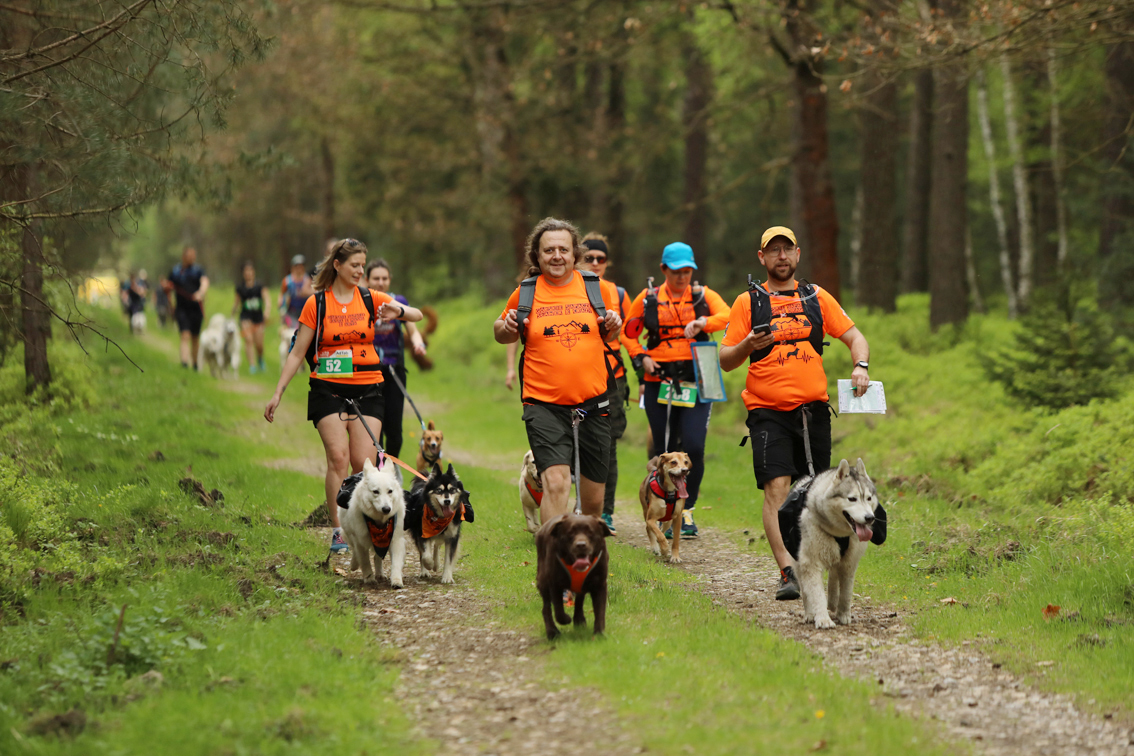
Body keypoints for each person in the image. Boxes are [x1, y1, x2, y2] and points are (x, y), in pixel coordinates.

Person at [719, 225, 871, 600]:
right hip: (767, 411)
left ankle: (811, 563)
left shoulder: (815, 297)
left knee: (813, 490)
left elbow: (855, 337)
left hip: (813, 412)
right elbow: (725, 360)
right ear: (762, 258)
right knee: (777, 489)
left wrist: (860, 366)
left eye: (787, 249)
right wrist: (747, 344)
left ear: (798, 254)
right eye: (774, 250)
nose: (782, 256)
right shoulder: (747, 302)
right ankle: (788, 571)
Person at [265, 238, 423, 553]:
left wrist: (399, 310)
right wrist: (278, 392)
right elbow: (296, 353)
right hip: (328, 388)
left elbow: (416, 315)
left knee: (362, 465)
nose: (360, 271)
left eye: (363, 265)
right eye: (355, 265)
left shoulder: (370, 298)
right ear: (337, 265)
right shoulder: (317, 304)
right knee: (337, 458)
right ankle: (338, 529)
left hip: (368, 389)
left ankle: (359, 526)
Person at [493, 217, 622, 524]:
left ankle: (583, 551)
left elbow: (608, 334)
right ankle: (553, 550)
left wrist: (614, 325)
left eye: (563, 249)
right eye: (549, 250)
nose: (557, 256)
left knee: (593, 502)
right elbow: (501, 331)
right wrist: (507, 326)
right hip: (543, 406)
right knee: (556, 482)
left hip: (593, 405)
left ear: (574, 253)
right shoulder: (525, 292)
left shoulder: (594, 288)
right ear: (537, 256)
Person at [623, 242, 729, 538]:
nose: (682, 277)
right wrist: (641, 357)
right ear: (663, 270)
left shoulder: (702, 295)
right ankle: (662, 509)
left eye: (686, 271)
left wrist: (703, 322)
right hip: (660, 382)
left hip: (698, 380)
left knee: (693, 446)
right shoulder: (648, 298)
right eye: (676, 271)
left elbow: (729, 315)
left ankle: (688, 509)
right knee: (664, 450)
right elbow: (627, 333)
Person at [578, 232, 637, 536]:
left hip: (611, 379)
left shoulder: (618, 293)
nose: (595, 263)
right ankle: (579, 507)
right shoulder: (571, 290)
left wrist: (642, 368)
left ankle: (607, 512)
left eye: (600, 258)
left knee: (607, 447)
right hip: (576, 376)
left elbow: (629, 335)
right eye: (589, 257)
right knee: (574, 443)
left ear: (607, 262)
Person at [366, 259, 428, 459]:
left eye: (384, 278)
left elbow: (413, 330)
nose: (381, 282)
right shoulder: (362, 302)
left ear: (390, 280)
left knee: (394, 432)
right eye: (376, 278)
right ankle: (379, 470)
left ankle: (392, 466)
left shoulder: (398, 302)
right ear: (367, 280)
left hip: (395, 372)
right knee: (374, 429)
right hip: (368, 373)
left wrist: (418, 344)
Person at [162, 247, 209, 369]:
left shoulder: (198, 270)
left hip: (196, 308)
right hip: (182, 309)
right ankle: (184, 363)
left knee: (195, 337)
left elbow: (205, 282)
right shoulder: (176, 271)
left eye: (194, 256)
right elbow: (168, 287)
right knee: (185, 335)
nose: (192, 258)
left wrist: (200, 293)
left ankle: (195, 364)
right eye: (190, 256)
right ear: (184, 256)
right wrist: (167, 291)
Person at [233, 261, 270, 374]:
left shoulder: (260, 286)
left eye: (250, 270)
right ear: (243, 273)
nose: (248, 273)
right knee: (248, 340)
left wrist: (267, 312)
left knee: (259, 344)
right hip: (245, 317)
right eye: (246, 271)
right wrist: (232, 316)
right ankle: (252, 365)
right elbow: (236, 303)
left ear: (253, 272)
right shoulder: (240, 288)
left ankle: (260, 359)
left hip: (258, 318)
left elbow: (267, 300)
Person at [280, 254, 314, 329]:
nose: (299, 268)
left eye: (301, 266)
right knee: (293, 330)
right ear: (293, 267)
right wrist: (282, 306)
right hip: (292, 312)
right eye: (297, 266)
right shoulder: (287, 281)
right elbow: (282, 295)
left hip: (306, 311)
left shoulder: (308, 279)